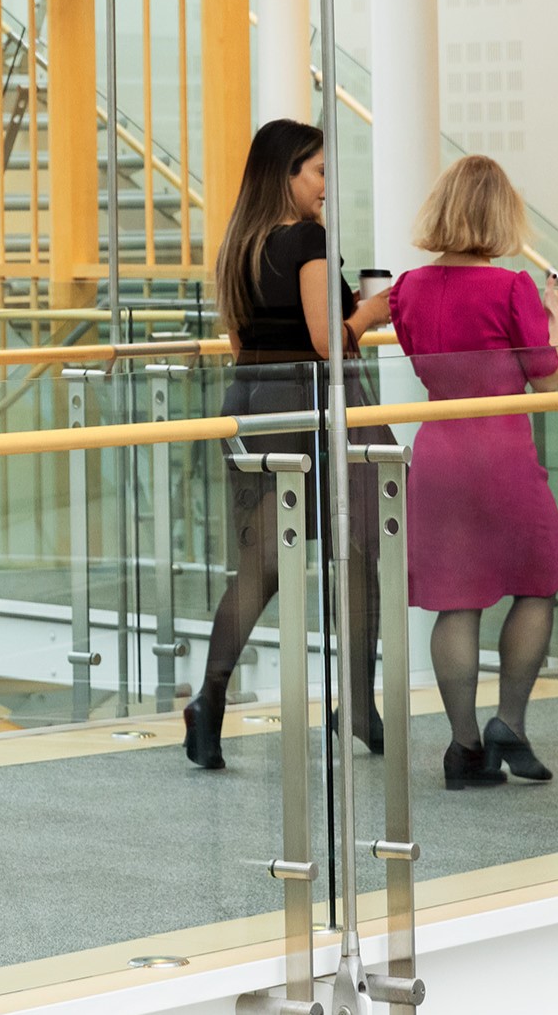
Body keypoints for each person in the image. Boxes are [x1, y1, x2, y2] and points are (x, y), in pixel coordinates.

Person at [183, 118, 394, 771]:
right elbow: (328, 341)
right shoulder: (306, 237)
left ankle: (213, 700)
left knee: (267, 565)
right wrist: (369, 311)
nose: (327, 185)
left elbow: (241, 342)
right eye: (319, 171)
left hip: (251, 402)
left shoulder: (240, 243)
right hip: (304, 410)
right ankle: (351, 700)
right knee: (355, 548)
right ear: (288, 174)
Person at [383, 155, 558, 790]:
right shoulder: (512, 288)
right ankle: (508, 725)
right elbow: (545, 373)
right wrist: (557, 322)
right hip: (504, 455)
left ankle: (462, 748)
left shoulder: (407, 288)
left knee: (454, 603)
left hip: (438, 454)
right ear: (499, 215)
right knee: (536, 584)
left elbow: (419, 356)